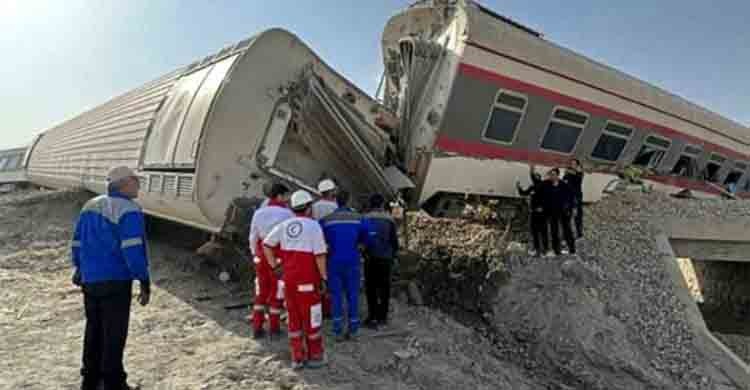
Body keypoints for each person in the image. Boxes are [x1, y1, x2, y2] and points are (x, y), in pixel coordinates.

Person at [71, 166, 150, 390]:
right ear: (124, 184)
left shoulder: (90, 206)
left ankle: (90, 381)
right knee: (114, 334)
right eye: (136, 181)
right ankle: (114, 383)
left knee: (94, 330)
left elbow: (77, 242)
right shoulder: (128, 209)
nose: (139, 185)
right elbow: (133, 250)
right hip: (115, 280)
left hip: (90, 280)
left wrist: (79, 268)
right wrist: (143, 280)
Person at [263, 190, 328, 369]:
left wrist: (274, 266)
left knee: (294, 319)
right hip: (308, 283)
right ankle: (315, 356)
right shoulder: (313, 226)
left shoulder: (284, 226)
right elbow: (320, 256)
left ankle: (297, 357)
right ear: (308, 208)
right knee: (312, 320)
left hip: (289, 283)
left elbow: (267, 245)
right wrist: (324, 278)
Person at [247, 183, 294, 339]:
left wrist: (255, 254)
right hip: (278, 257)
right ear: (280, 196)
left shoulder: (259, 213)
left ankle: (257, 327)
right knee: (277, 292)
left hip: (261, 256)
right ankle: (274, 328)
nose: (287, 199)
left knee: (261, 291)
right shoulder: (288, 214)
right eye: (286, 196)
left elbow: (253, 236)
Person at [319, 190, 368, 341]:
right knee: (353, 294)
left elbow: (319, 240)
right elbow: (368, 238)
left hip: (333, 261)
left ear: (335, 201)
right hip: (353, 261)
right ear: (349, 201)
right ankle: (353, 330)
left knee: (336, 296)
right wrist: (360, 246)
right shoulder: (359, 218)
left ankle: (337, 330)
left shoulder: (326, 220)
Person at [362, 193, 399, 329]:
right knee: (384, 288)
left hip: (370, 258)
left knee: (370, 288)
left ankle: (372, 317)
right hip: (385, 259)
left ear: (371, 204)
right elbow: (394, 242)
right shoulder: (389, 219)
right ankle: (382, 317)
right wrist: (394, 255)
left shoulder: (365, 218)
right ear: (382, 204)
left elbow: (362, 239)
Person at [516, 165, 550, 257]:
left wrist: (531, 170)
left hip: (543, 213)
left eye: (537, 177)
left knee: (543, 231)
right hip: (534, 212)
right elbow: (523, 193)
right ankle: (537, 249)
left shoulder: (544, 186)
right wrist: (518, 187)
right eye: (535, 177)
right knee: (534, 231)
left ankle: (545, 250)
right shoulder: (532, 187)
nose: (535, 178)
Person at [543, 168, 576, 256]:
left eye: (553, 174)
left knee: (567, 231)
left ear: (558, 175)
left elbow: (572, 197)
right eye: (550, 175)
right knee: (554, 231)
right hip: (552, 212)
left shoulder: (564, 185)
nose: (552, 176)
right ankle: (556, 251)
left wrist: (571, 209)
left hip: (563, 212)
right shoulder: (547, 185)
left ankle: (572, 250)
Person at [563, 158, 585, 239]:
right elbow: (564, 180)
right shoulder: (568, 172)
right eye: (571, 163)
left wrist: (569, 171)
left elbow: (578, 176)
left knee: (577, 215)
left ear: (577, 165)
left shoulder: (579, 172)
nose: (572, 165)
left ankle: (579, 233)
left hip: (576, 196)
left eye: (574, 164)